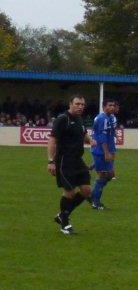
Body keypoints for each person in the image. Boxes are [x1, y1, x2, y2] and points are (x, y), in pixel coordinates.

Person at [48, 95, 94, 235]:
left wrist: (91, 141)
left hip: (77, 160)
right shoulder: (63, 119)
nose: (80, 106)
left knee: (87, 191)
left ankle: (62, 215)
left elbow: (84, 134)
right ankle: (65, 224)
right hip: (64, 161)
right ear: (70, 104)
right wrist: (51, 161)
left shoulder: (79, 119)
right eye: (77, 104)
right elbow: (52, 140)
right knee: (69, 193)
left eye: (82, 104)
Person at [89, 99, 119, 210]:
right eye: (109, 105)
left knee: (110, 174)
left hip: (108, 149)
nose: (112, 107)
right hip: (100, 150)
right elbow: (101, 137)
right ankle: (95, 202)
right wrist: (106, 152)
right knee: (103, 175)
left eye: (113, 105)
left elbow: (109, 133)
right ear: (104, 107)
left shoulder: (111, 118)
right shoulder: (101, 119)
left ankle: (93, 194)